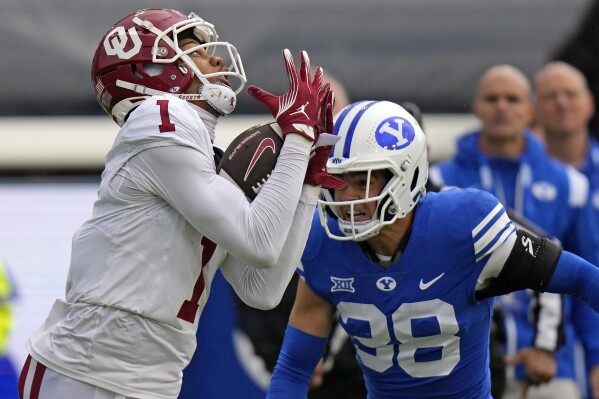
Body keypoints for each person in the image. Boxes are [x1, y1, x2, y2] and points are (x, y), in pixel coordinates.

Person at [18, 8, 341, 399]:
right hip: (82, 373)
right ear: (152, 70)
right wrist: (299, 138)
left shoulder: (203, 159)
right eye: (194, 50)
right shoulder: (158, 116)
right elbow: (258, 241)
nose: (215, 58)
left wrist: (305, 185)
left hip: (155, 382)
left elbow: (262, 289)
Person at [263, 99, 599, 399]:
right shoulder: (322, 242)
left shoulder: (462, 225)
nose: (347, 197)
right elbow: (293, 370)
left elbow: (581, 279)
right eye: (338, 181)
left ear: (405, 176)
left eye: (363, 180)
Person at [428, 64, 599, 399]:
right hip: (466, 365)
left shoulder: (571, 185)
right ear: (476, 108)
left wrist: (595, 359)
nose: (502, 106)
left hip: (550, 368)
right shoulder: (439, 182)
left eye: (513, 98)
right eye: (492, 98)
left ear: (530, 110)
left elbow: (586, 273)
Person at [533, 61, 599, 399]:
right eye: (550, 96)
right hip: (548, 341)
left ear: (590, 103)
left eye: (570, 94)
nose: (562, 103)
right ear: (535, 109)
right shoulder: (522, 179)